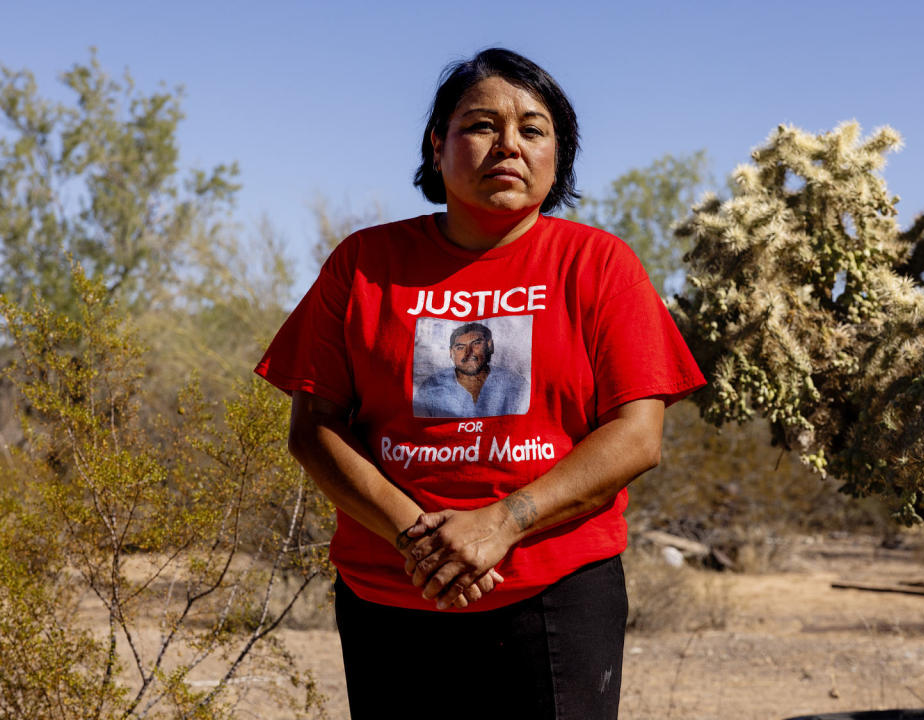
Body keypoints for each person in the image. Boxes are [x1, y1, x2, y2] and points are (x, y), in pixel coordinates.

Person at [255, 47, 705, 719]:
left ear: (559, 155)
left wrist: (502, 523)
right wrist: (419, 538)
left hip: (556, 588)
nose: (508, 145)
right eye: (480, 125)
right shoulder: (365, 264)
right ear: (438, 146)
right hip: (393, 588)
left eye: (533, 128)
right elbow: (314, 428)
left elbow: (637, 437)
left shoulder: (598, 265)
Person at [413, 321, 529, 417]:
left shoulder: (515, 384)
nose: (468, 353)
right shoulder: (431, 387)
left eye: (476, 344)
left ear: (489, 346)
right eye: (460, 347)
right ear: (451, 352)